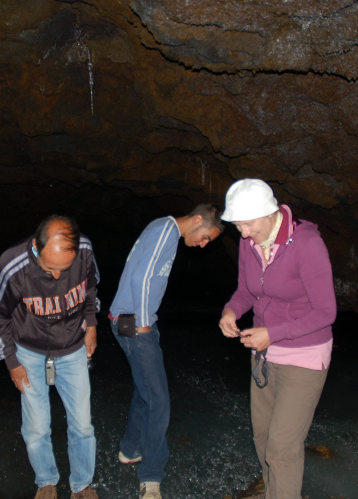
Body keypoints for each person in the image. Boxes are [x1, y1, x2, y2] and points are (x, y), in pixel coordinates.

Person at [218, 179, 336, 499]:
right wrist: (231, 311)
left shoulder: (307, 245)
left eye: (247, 224)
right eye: (237, 225)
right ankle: (273, 492)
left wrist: (274, 334)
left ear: (269, 213)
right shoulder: (249, 242)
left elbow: (326, 312)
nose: (242, 233)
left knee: (282, 447)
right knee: (263, 437)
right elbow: (246, 291)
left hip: (305, 354)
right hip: (264, 354)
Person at [109, 204, 224, 499]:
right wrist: (145, 325)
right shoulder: (166, 231)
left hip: (126, 320)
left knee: (144, 388)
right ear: (197, 220)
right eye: (205, 237)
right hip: (133, 323)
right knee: (158, 399)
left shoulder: (164, 229)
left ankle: (130, 449)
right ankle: (151, 476)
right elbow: (142, 279)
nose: (202, 245)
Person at [0, 215, 100, 499]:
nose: (58, 276)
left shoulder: (84, 249)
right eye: (50, 268)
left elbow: (91, 288)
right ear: (37, 249)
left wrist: (92, 326)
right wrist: (12, 362)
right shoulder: (12, 266)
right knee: (37, 425)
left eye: (66, 268)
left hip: (73, 347)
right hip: (29, 352)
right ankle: (46, 480)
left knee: (83, 424)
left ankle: (82, 484)